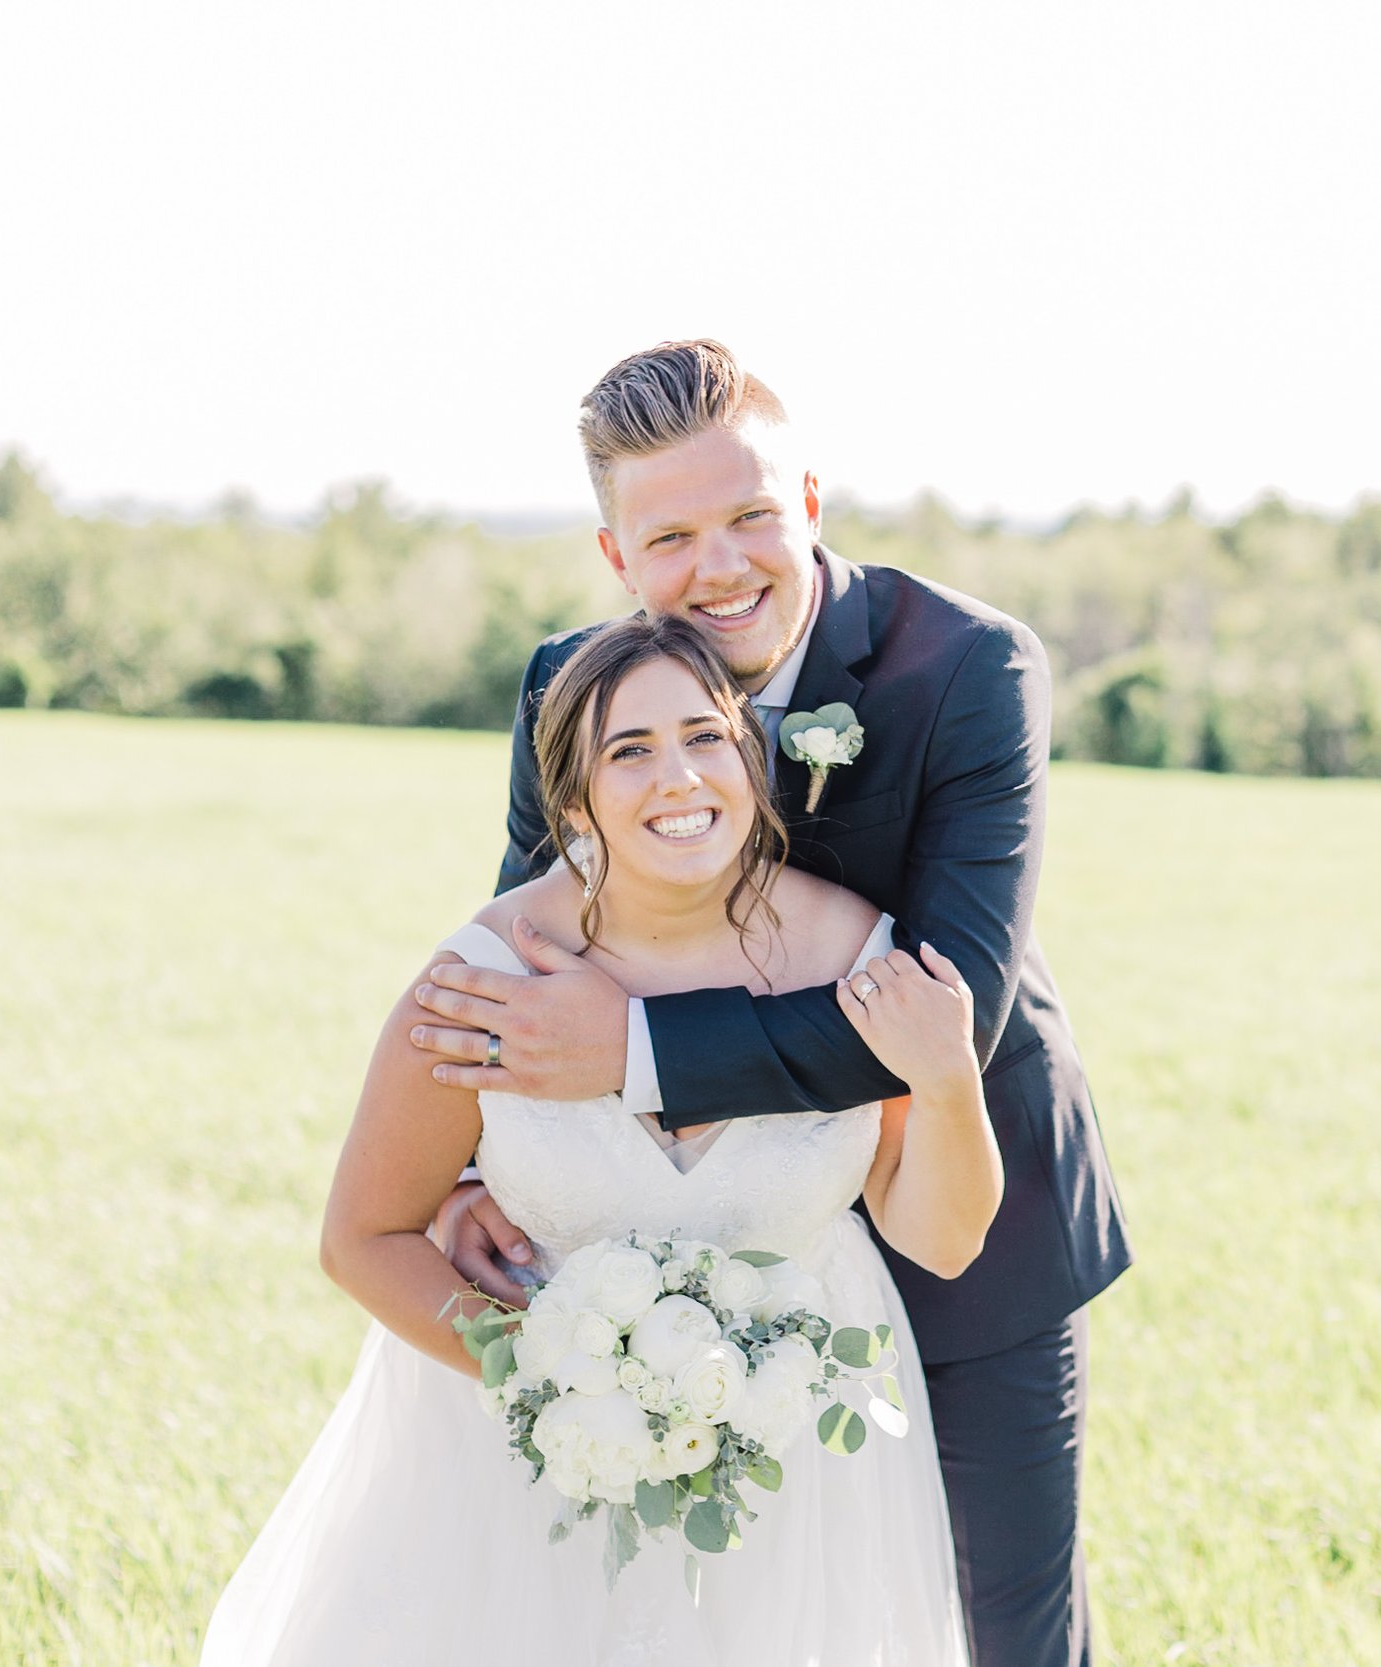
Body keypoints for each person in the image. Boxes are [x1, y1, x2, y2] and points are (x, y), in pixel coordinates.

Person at [407, 340, 1132, 1666]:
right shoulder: (569, 683)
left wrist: (637, 1051)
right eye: (670, 536)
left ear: (809, 499)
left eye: (750, 514)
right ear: (617, 557)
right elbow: (523, 949)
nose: (721, 564)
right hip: (696, 1234)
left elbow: (948, 1010)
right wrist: (468, 1170)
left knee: (999, 1632)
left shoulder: (969, 664)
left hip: (964, 1211)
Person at [202, 613, 999, 1664]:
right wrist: (561, 1388)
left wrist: (947, 1079)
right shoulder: (482, 978)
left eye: (705, 736)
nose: (679, 777)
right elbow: (363, 1236)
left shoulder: (860, 955)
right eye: (630, 750)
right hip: (519, 1470)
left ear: (750, 759)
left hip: (793, 1467)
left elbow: (940, 1237)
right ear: (574, 800)